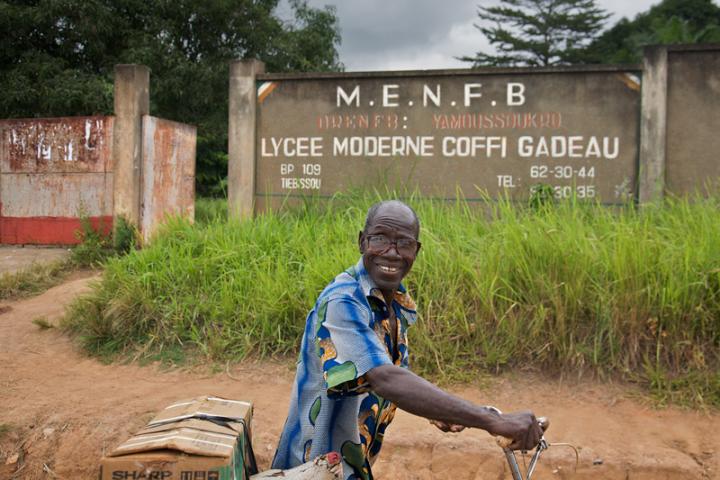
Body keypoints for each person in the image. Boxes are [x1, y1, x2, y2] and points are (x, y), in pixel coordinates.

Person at [272, 200, 542, 479]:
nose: (392, 253)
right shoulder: (343, 301)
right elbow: (385, 379)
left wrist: (450, 411)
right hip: (311, 471)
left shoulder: (395, 305)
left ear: (416, 251)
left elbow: (397, 380)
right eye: (380, 239)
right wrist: (492, 421)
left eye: (404, 243)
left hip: (347, 468)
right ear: (362, 242)